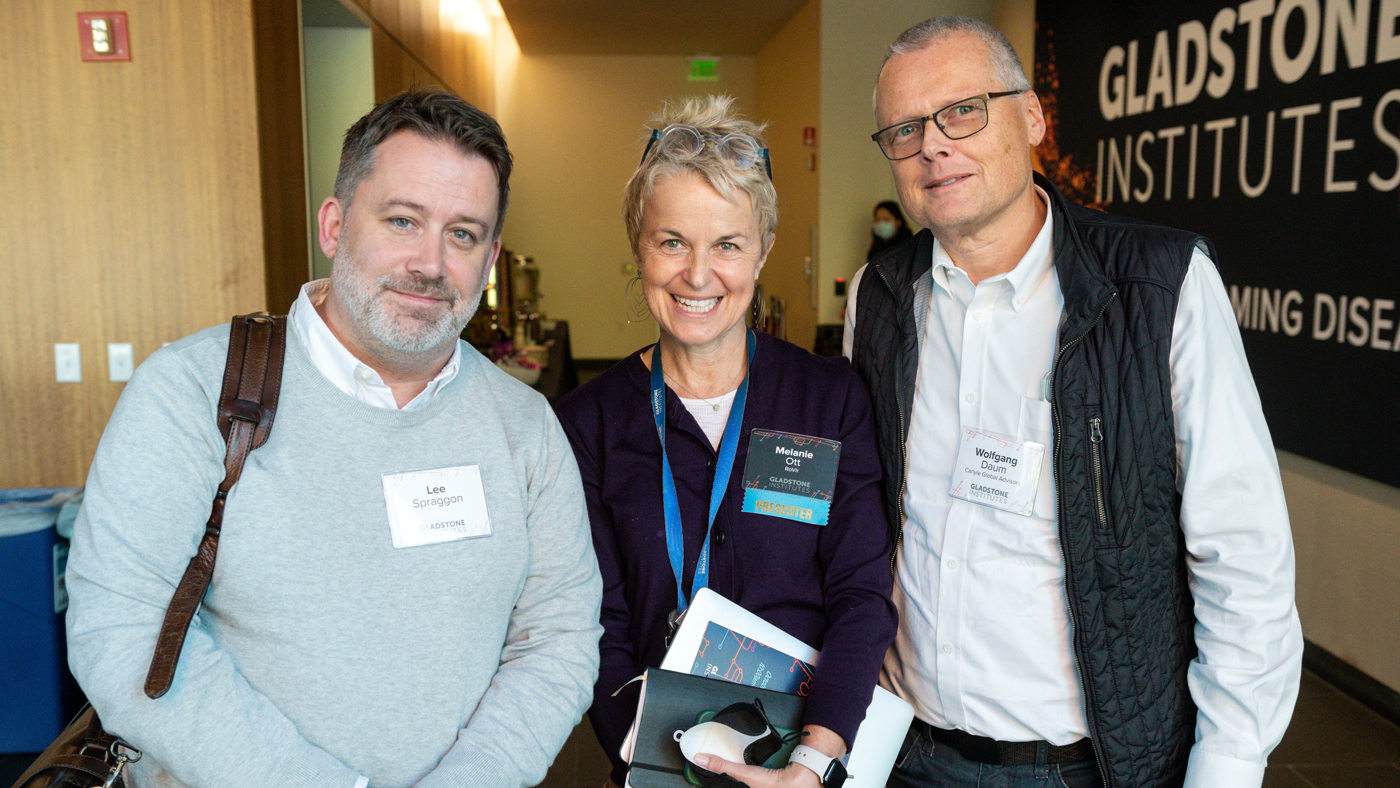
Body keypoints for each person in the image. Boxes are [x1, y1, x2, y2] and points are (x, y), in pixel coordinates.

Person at [65, 88, 602, 788]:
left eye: (463, 234)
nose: (431, 264)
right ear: (334, 224)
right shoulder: (194, 394)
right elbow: (123, 631)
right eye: (403, 220)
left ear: (491, 257)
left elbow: (556, 641)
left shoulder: (524, 425)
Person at [844, 16, 1302, 788]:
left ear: (1031, 116)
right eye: (904, 128)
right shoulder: (880, 295)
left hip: (1088, 768)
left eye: (962, 111)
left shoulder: (1160, 286)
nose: (933, 145)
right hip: (905, 754)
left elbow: (1242, 552)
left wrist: (1226, 766)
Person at [555, 96, 896, 788]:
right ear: (638, 245)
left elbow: (861, 595)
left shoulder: (829, 399)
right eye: (672, 241)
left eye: (728, 244)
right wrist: (652, 765)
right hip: (652, 759)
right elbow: (597, 622)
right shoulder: (586, 423)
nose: (699, 274)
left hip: (814, 756)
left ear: (764, 249)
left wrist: (813, 760)